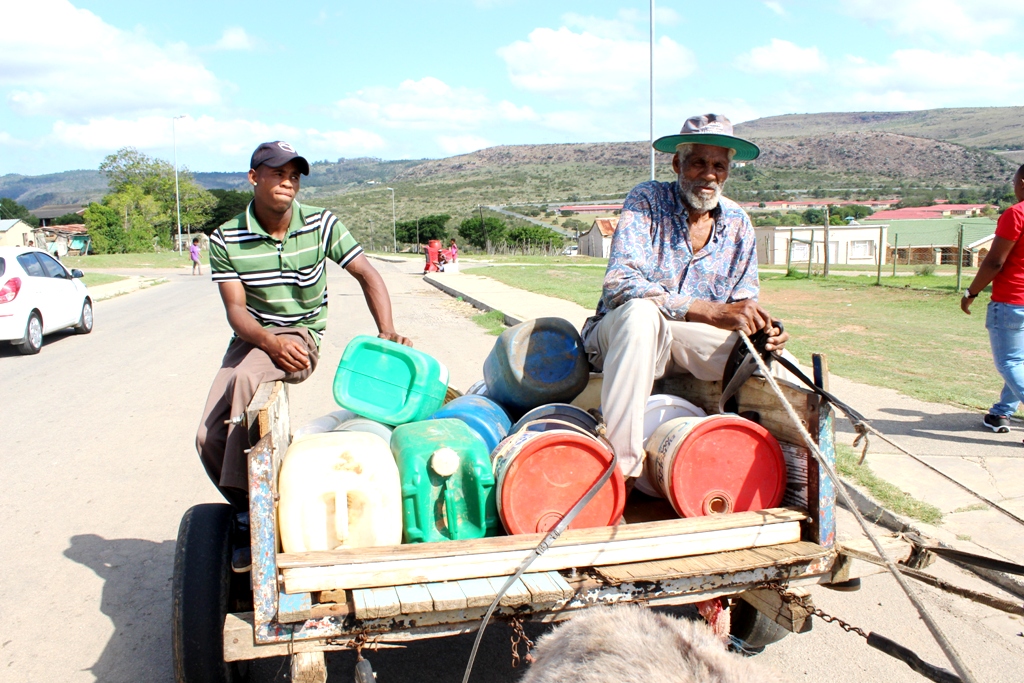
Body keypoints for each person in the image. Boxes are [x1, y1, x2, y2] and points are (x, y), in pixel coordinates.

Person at [197, 141, 411, 515]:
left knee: (246, 378)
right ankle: (254, 502)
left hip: (300, 335)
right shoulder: (226, 238)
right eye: (278, 174)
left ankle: (256, 515)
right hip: (252, 336)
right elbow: (236, 311)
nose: (288, 183)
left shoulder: (321, 223)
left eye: (294, 176)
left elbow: (366, 273)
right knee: (207, 437)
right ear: (253, 178)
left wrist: (387, 330)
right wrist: (267, 340)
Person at [580, 114, 791, 482]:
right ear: (678, 164)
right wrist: (705, 309)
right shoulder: (647, 200)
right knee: (642, 316)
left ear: (727, 171)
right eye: (699, 163)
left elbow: (742, 305)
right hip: (621, 338)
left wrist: (762, 328)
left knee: (768, 354)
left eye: (719, 165)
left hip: (685, 346)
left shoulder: (739, 224)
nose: (709, 174)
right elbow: (619, 283)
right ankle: (620, 472)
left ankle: (774, 469)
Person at [961, 163, 1024, 434]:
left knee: (1009, 362)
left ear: (1021, 184)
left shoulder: (1016, 214)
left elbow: (995, 262)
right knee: (1019, 362)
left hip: (1012, 300)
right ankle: (1001, 413)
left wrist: (970, 292)